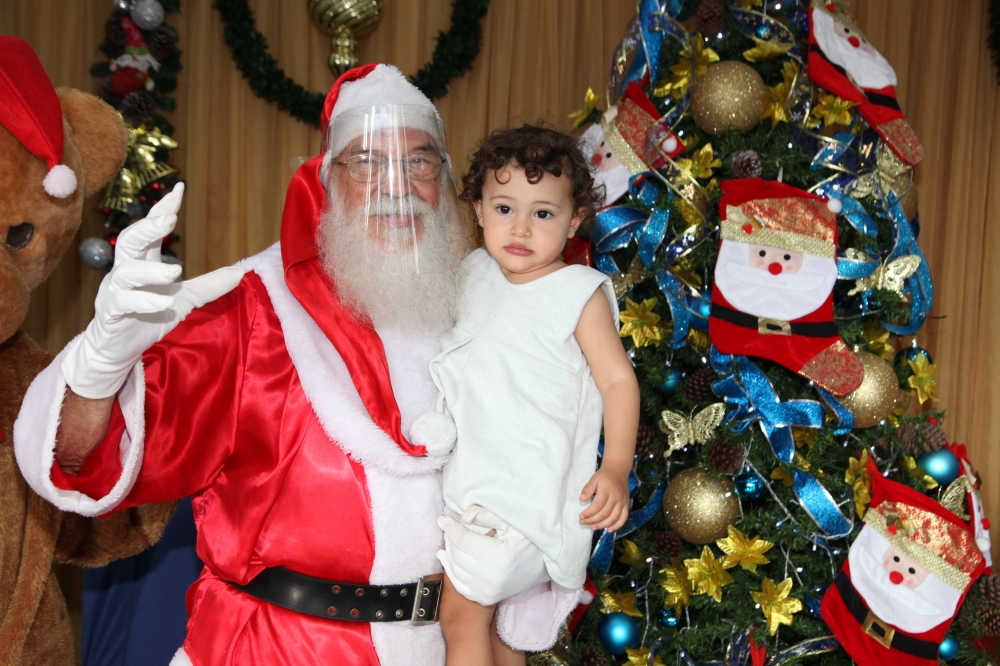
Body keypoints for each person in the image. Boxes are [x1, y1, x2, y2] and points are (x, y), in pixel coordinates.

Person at [14, 64, 546, 666]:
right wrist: (100, 365)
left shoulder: (486, 310)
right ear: (326, 180)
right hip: (276, 648)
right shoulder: (252, 313)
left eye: (419, 161)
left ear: (445, 181)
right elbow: (80, 458)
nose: (396, 186)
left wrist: (538, 551)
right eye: (366, 162)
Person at [428, 126, 640, 665]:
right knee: (504, 633)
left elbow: (617, 381)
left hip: (529, 494)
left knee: (460, 618)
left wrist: (616, 465)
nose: (520, 227)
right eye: (504, 208)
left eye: (543, 213)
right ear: (478, 210)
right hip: (477, 482)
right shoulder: (474, 272)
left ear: (574, 220)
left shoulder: (576, 294)